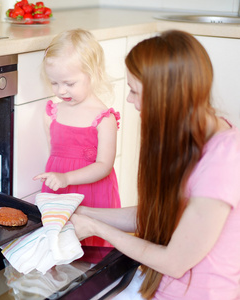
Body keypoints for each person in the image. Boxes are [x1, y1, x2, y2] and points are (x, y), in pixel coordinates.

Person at [70, 30, 240, 299]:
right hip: (164, 284)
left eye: (134, 90)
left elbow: (174, 262)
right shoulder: (196, 135)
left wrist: (95, 228)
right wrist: (83, 212)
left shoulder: (222, 162)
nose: (129, 99)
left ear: (166, 97)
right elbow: (160, 213)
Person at [33, 28, 121, 249]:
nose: (61, 90)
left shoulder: (104, 119)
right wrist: (58, 179)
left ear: (94, 73)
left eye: (69, 84)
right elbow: (54, 152)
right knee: (60, 244)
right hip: (59, 190)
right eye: (55, 83)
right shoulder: (53, 112)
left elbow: (104, 166)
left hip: (92, 192)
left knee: (91, 247)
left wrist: (66, 178)